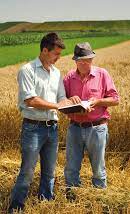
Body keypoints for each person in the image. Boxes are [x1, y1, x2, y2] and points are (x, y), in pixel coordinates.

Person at [8, 32, 72, 213]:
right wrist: (57, 106)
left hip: (52, 128)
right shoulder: (27, 70)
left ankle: (45, 203)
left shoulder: (57, 73)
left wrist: (71, 102)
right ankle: (16, 207)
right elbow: (31, 100)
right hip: (33, 128)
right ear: (45, 50)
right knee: (27, 171)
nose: (59, 58)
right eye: (56, 54)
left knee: (49, 172)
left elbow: (61, 97)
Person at [63, 42, 119, 199]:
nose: (84, 63)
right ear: (75, 61)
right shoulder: (69, 77)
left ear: (92, 59)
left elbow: (115, 99)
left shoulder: (102, 74)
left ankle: (99, 200)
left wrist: (98, 101)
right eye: (81, 60)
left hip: (97, 128)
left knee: (98, 169)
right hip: (74, 128)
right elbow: (60, 100)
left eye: (87, 60)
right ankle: (72, 199)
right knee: (71, 168)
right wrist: (69, 99)